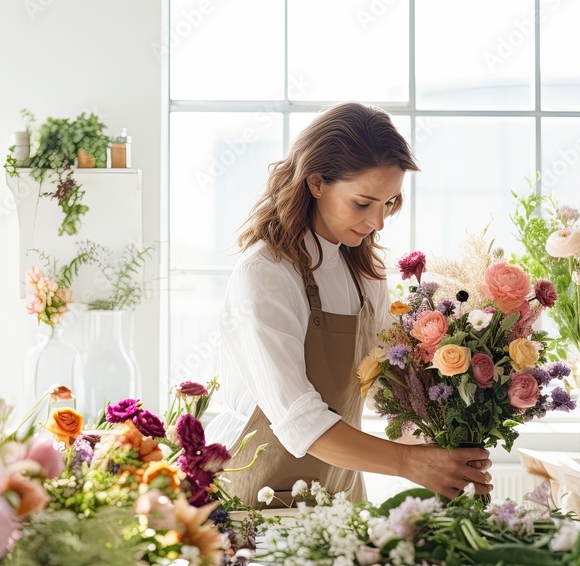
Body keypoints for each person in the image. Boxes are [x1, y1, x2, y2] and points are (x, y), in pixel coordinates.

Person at [207, 102, 492, 507]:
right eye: (363, 203)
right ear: (317, 182)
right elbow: (300, 421)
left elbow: (384, 387)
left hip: (338, 489)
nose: (378, 222)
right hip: (252, 490)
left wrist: (446, 440)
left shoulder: (362, 274)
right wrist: (411, 462)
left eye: (389, 203)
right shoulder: (266, 274)